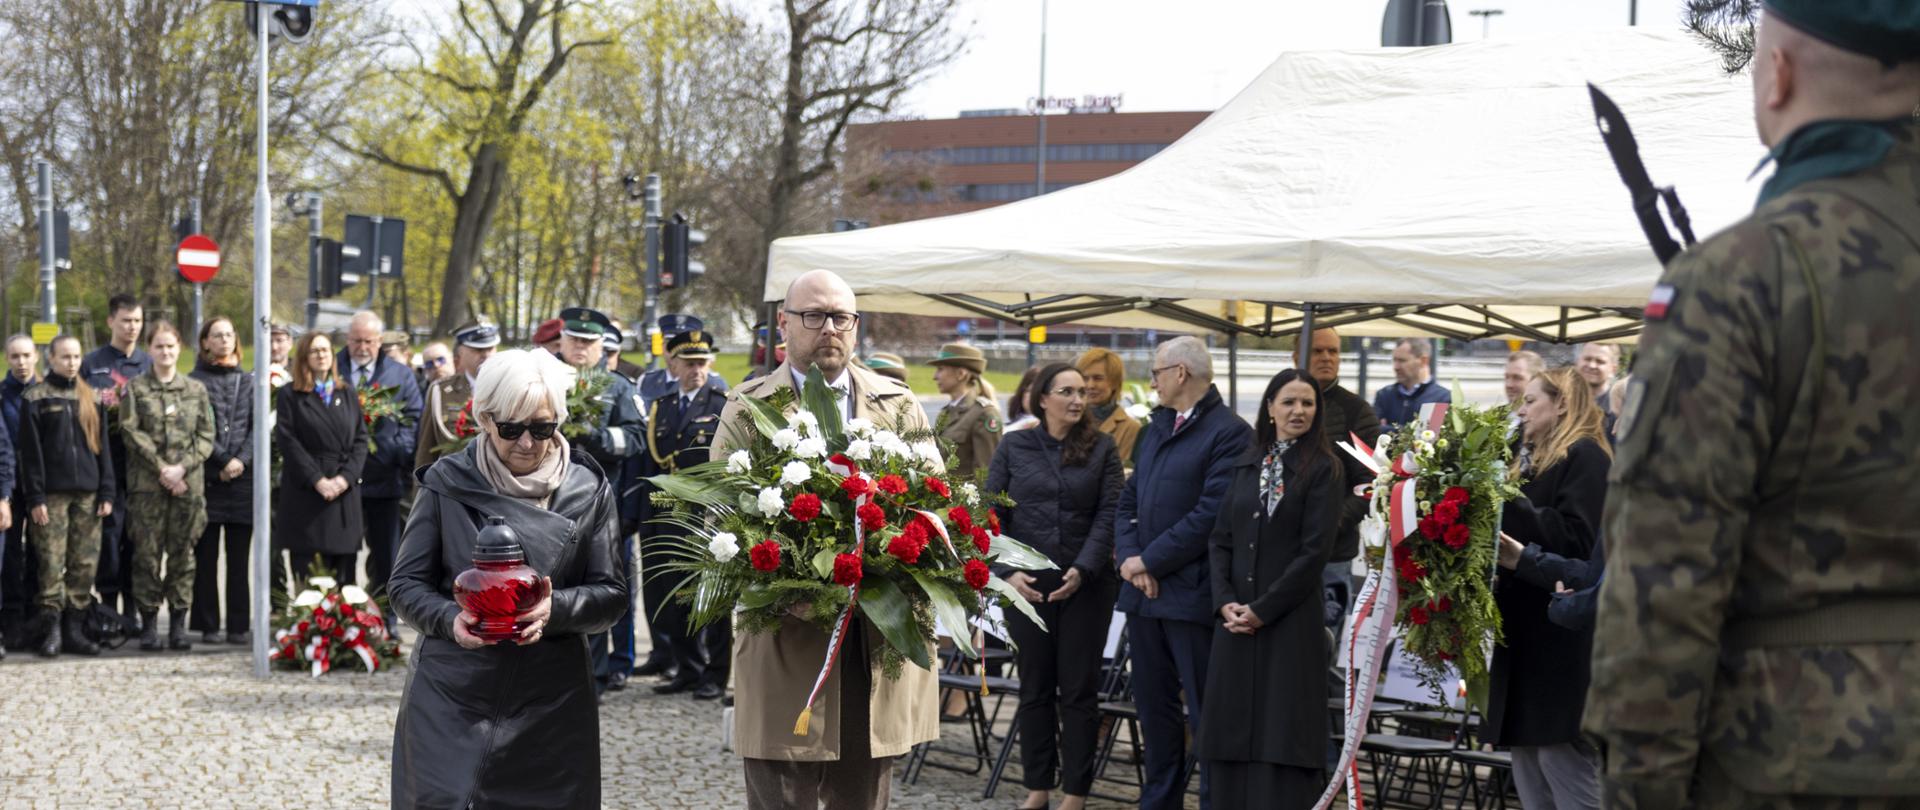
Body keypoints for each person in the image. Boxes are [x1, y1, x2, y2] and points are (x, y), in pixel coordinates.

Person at [1588, 5, 1920, 808]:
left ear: (1777, 75)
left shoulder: (1747, 273)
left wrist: (1641, 789)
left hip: (1802, 759)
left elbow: (1665, 580)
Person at [712, 269, 938, 810]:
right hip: (785, 629)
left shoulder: (898, 404)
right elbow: (721, 512)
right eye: (814, 316)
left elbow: (935, 506)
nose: (829, 328)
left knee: (862, 790)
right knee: (779, 788)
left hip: (871, 632)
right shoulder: (747, 406)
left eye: (841, 317)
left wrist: (894, 567)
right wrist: (788, 587)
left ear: (856, 327)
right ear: (785, 324)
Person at [389, 349, 626, 809]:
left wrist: (554, 610)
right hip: (453, 694)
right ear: (484, 418)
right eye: (511, 428)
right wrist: (448, 619)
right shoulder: (446, 480)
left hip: (552, 702)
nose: (526, 443)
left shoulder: (587, 488)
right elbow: (404, 585)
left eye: (542, 428)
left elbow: (613, 594)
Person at [1114, 335, 1253, 810]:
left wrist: (1148, 560)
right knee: (1154, 712)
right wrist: (1133, 562)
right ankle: (1160, 802)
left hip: (1192, 596)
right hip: (1144, 594)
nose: (1150, 380)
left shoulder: (1230, 432)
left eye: (1156, 370)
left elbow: (1211, 514)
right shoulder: (1155, 427)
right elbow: (1127, 501)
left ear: (1180, 373)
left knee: (1204, 710)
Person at [1197, 368, 1342, 809]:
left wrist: (1263, 609)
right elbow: (1221, 539)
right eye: (1289, 402)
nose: (1299, 411)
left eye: (1308, 403)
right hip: (1235, 622)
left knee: (1282, 731)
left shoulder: (1324, 468)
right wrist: (1226, 603)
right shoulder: (1248, 460)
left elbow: (1314, 552)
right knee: (1231, 728)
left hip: (1289, 622)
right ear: (1270, 407)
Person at [985, 362, 1124, 810]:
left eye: (1082, 392)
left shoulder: (1103, 448)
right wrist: (1007, 574)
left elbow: (1110, 515)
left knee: (1080, 689)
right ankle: (1037, 788)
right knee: (1035, 686)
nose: (1078, 399)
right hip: (1027, 584)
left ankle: (1076, 792)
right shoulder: (1014, 445)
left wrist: (1083, 568)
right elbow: (991, 514)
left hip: (1086, 583)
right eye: (1067, 391)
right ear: (1042, 398)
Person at [1488, 367, 1610, 809]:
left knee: (1564, 770)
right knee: (1531, 771)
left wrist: (1505, 500)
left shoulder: (1585, 456)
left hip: (1559, 638)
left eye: (1530, 401)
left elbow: (1579, 541)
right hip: (1527, 635)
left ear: (1562, 403)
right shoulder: (1530, 460)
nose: (1520, 411)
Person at [551, 307, 646, 695]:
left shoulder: (618, 387)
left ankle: (594, 676)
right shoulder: (543, 378)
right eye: (574, 340)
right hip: (547, 503)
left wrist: (600, 440)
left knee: (597, 589)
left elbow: (637, 437)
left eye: (588, 342)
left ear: (600, 346)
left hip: (597, 503)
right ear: (561, 340)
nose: (581, 348)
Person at [639, 328, 731, 700]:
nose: (696, 369)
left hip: (707, 514)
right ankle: (687, 667)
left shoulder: (721, 403)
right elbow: (654, 462)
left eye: (702, 362)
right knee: (673, 593)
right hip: (668, 513)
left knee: (711, 597)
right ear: (672, 364)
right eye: (689, 363)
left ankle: (715, 672)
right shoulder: (662, 407)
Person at [119, 322, 215, 652]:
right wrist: (162, 468)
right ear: (150, 350)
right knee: (146, 557)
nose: (165, 352)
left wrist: (181, 469)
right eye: (159, 347)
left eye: (171, 346)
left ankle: (177, 624)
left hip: (187, 487)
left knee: (182, 557)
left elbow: (206, 436)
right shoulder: (136, 389)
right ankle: (148, 625)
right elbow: (130, 432)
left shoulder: (195, 390)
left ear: (180, 348)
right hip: (148, 488)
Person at [20, 335, 115, 657]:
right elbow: (30, 456)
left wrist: (107, 490)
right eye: (65, 357)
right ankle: (51, 631)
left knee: (83, 564)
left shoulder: (92, 398)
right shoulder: (36, 398)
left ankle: (75, 629)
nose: (72, 362)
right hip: (52, 496)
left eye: (76, 357)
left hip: (88, 496)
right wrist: (36, 498)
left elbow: (103, 451)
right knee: (50, 563)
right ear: (51, 359)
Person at [339, 311, 423, 603]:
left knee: (386, 555)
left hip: (384, 477)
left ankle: (384, 618)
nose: (362, 348)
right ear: (347, 339)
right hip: (341, 479)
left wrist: (395, 450)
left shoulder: (399, 374)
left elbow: (413, 418)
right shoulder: (333, 368)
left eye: (369, 342)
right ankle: (342, 618)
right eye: (356, 341)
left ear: (380, 342)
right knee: (343, 554)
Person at [276, 331, 367, 584]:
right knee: (309, 578)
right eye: (315, 351)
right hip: (308, 493)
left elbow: (361, 440)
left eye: (325, 350)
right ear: (304, 356)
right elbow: (288, 442)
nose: (321, 355)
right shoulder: (290, 395)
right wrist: (318, 480)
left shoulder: (347, 393)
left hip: (343, 494)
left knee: (345, 580)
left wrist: (345, 479)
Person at [190, 316, 256, 645]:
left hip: (242, 481)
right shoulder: (194, 381)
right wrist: (221, 460)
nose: (225, 340)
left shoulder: (249, 381)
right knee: (206, 557)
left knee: (239, 558)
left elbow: (258, 427)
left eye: (230, 334)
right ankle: (208, 623)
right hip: (209, 476)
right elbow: (196, 429)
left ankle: (238, 625)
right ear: (205, 342)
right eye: (217, 335)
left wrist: (240, 460)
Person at [83, 293, 148, 619]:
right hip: (105, 467)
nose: (132, 327)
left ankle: (133, 610)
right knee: (109, 540)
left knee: (136, 541)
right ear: (111, 321)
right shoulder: (91, 364)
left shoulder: (148, 364)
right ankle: (109, 611)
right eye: (126, 320)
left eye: (137, 321)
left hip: (142, 468)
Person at [415, 319, 500, 471]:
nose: (486, 355)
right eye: (477, 350)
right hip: (454, 482)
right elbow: (427, 449)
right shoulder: (440, 391)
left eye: (490, 348)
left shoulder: (509, 388)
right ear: (460, 353)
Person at [0, 336, 35, 651]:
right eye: (15, 356)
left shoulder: (47, 391)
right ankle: (12, 619)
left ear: (36, 356)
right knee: (11, 554)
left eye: (26, 355)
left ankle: (38, 619)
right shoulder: (1, 394)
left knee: (40, 554)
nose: (21, 362)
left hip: (41, 487)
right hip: (10, 487)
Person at [929, 342, 1001, 479]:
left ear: (961, 374)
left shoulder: (985, 414)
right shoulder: (946, 412)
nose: (935, 376)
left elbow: (985, 475)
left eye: (940, 369)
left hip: (964, 499)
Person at [638, 316, 730, 402]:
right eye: (670, 342)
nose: (674, 349)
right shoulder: (647, 381)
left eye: (682, 342)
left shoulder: (716, 383)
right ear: (661, 345)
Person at [1076, 347, 1141, 465]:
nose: (1090, 385)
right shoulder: (1067, 420)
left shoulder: (1130, 429)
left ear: (1115, 382)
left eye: (1098, 378)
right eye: (1085, 378)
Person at [1370, 338, 1449, 430]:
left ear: (1423, 361)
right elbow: (1372, 432)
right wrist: (1415, 430)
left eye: (1402, 361)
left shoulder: (1442, 398)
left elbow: (1429, 437)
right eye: (1394, 360)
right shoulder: (1384, 395)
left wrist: (1386, 429)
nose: (1396, 367)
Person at [1573, 343, 1618, 420]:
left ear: (1613, 370)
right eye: (1587, 359)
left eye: (1600, 361)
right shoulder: (1560, 399)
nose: (1592, 365)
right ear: (1577, 362)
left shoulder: (1619, 409)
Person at [1002, 365, 1042, 432]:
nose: (1032, 396)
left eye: (1036, 392)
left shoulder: (1038, 425)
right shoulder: (1018, 420)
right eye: (1028, 391)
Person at [267, 323, 293, 389]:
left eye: (279, 340)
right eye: (269, 341)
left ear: (290, 343)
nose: (274, 347)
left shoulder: (300, 372)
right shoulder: (258, 373)